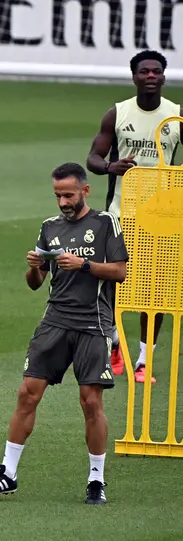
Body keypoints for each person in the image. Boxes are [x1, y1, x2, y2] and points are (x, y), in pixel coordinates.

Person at [0, 163, 126, 505]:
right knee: (27, 392)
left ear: (85, 191)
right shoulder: (49, 228)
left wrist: (84, 265)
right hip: (55, 320)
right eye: (57, 195)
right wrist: (33, 267)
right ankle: (7, 474)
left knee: (90, 401)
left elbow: (120, 272)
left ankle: (96, 480)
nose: (62, 202)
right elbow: (35, 284)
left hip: (93, 322)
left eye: (68, 194)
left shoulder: (105, 224)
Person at [85, 50, 180, 383]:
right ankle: (113, 341)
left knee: (153, 294)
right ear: (134, 77)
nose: (151, 76)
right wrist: (113, 166)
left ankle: (143, 361)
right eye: (144, 71)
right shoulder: (118, 113)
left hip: (161, 219)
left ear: (164, 77)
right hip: (120, 215)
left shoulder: (176, 117)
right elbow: (93, 158)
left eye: (156, 71)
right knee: (112, 286)